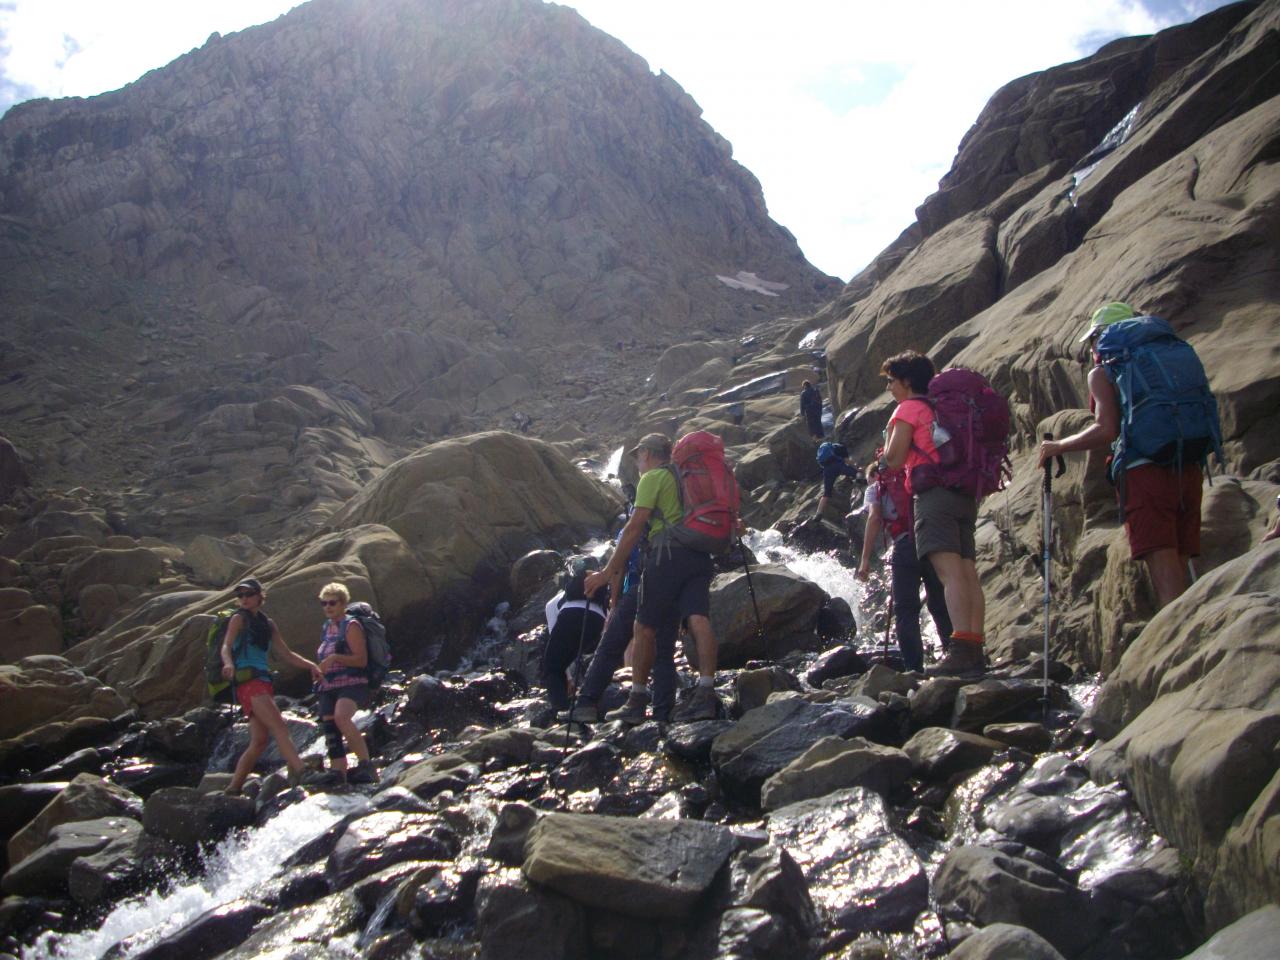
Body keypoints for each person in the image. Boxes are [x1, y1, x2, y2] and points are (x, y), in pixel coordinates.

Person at [1038, 302, 1210, 609]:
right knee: (1179, 562)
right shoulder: (1170, 354)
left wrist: (1060, 447)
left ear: (1102, 338)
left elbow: (1106, 430)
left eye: (1093, 341)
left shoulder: (1105, 370)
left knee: (1164, 568)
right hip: (1189, 464)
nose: (1092, 348)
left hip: (1144, 473)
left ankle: (1177, 643)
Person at [583, 433, 721, 724]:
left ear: (647, 453)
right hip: (699, 556)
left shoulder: (654, 478)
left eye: (637, 455)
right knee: (698, 619)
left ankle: (636, 700)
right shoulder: (688, 477)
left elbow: (634, 528)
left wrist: (607, 573)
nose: (636, 462)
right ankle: (706, 693)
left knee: (643, 627)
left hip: (666, 557)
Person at [871, 351, 986, 675]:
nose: (890, 388)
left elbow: (894, 459)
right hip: (962, 495)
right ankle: (975, 647)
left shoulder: (907, 408)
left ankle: (961, 651)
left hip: (933, 495)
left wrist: (882, 457)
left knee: (949, 574)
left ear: (907, 381)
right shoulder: (938, 409)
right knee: (967, 572)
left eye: (891, 381)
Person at [566, 498, 678, 723]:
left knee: (612, 644)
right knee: (663, 650)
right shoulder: (675, 518)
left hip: (640, 587)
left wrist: (614, 601)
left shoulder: (634, 528)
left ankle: (587, 702)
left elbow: (620, 568)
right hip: (673, 584)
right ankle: (662, 711)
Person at [221, 578, 320, 795]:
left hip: (263, 682)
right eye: (240, 596)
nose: (244, 599)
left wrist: (311, 665)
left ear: (259, 596)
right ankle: (302, 771)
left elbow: (286, 654)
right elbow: (226, 646)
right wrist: (228, 663)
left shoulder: (268, 624)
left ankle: (233, 788)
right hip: (249, 682)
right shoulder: (238, 619)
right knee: (280, 727)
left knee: (259, 741)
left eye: (248, 594)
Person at [855, 452, 952, 672]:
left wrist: (864, 561)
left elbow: (874, 519)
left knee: (906, 610)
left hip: (905, 545)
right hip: (931, 539)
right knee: (940, 602)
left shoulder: (875, 488)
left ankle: (913, 669)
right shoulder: (915, 474)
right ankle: (954, 655)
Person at [315, 582, 377, 784]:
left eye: (332, 602)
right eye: (324, 603)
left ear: (343, 603)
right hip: (328, 685)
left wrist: (334, 659)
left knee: (342, 718)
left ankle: (366, 765)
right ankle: (338, 772)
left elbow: (361, 659)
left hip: (352, 681)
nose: (327, 607)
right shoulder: (327, 627)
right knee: (330, 727)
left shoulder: (351, 626)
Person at [540, 559, 610, 713]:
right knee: (591, 658)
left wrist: (568, 677)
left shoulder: (560, 597)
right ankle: (589, 700)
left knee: (552, 667)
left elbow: (553, 632)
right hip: (597, 622)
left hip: (569, 617)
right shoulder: (602, 591)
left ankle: (561, 709)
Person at [817, 441, 860, 517]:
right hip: (838, 466)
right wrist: (857, 469)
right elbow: (848, 461)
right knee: (856, 473)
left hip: (827, 470)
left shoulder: (830, 448)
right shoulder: (842, 448)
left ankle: (818, 513)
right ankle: (862, 482)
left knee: (826, 494)